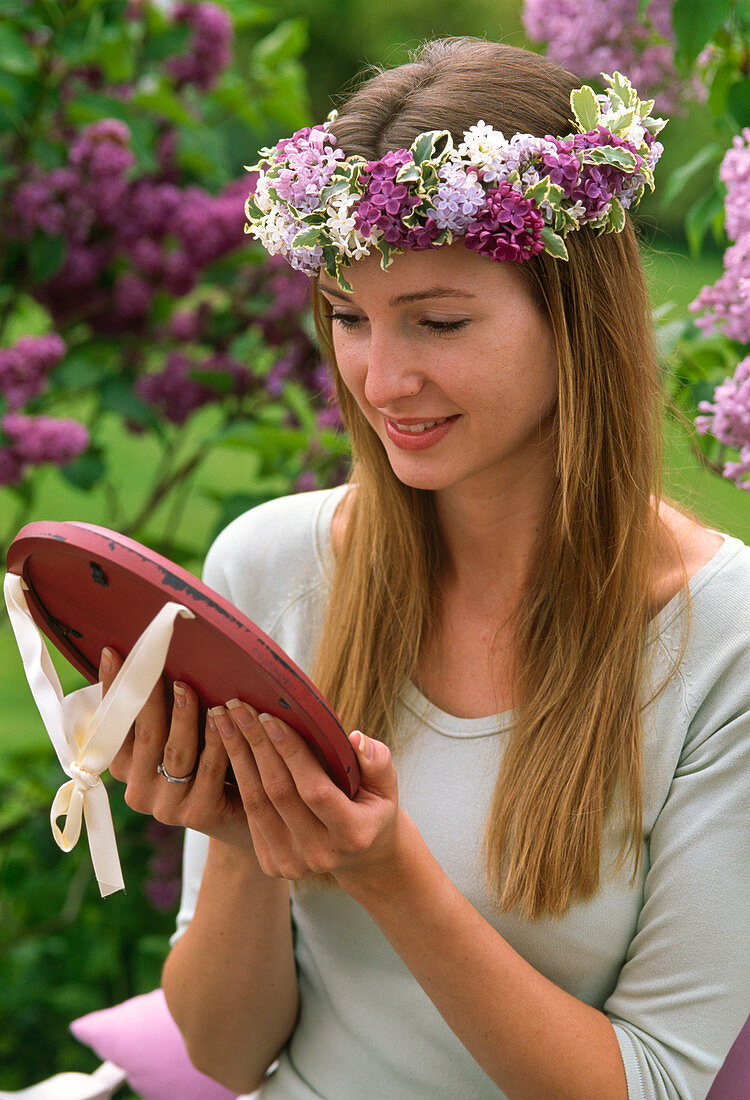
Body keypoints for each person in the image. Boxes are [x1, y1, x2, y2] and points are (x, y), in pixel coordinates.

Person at [100, 37, 750, 1100]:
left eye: (439, 321)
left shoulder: (725, 640)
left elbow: (656, 1085)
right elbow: (225, 1053)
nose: (380, 379)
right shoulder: (271, 562)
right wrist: (241, 842)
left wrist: (388, 873)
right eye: (350, 319)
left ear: (574, 321)